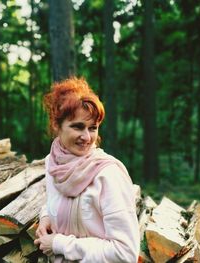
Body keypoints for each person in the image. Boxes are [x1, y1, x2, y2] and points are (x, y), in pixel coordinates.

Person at [34, 77, 140, 262]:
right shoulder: (53, 163)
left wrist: (59, 244)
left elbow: (125, 253)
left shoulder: (108, 175)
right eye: (77, 126)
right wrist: (46, 217)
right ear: (56, 125)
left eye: (93, 128)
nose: (86, 137)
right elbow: (57, 199)